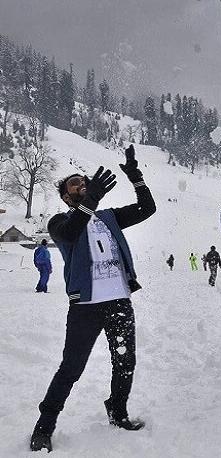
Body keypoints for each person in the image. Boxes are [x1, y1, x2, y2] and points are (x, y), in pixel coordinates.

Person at [30, 145, 156, 452]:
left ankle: (118, 410)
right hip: (84, 307)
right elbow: (72, 233)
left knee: (125, 361)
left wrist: (136, 177)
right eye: (74, 184)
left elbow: (147, 208)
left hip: (119, 302)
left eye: (84, 181)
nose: (81, 184)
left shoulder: (108, 217)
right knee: (71, 368)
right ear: (65, 197)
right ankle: (44, 426)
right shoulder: (59, 222)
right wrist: (92, 199)